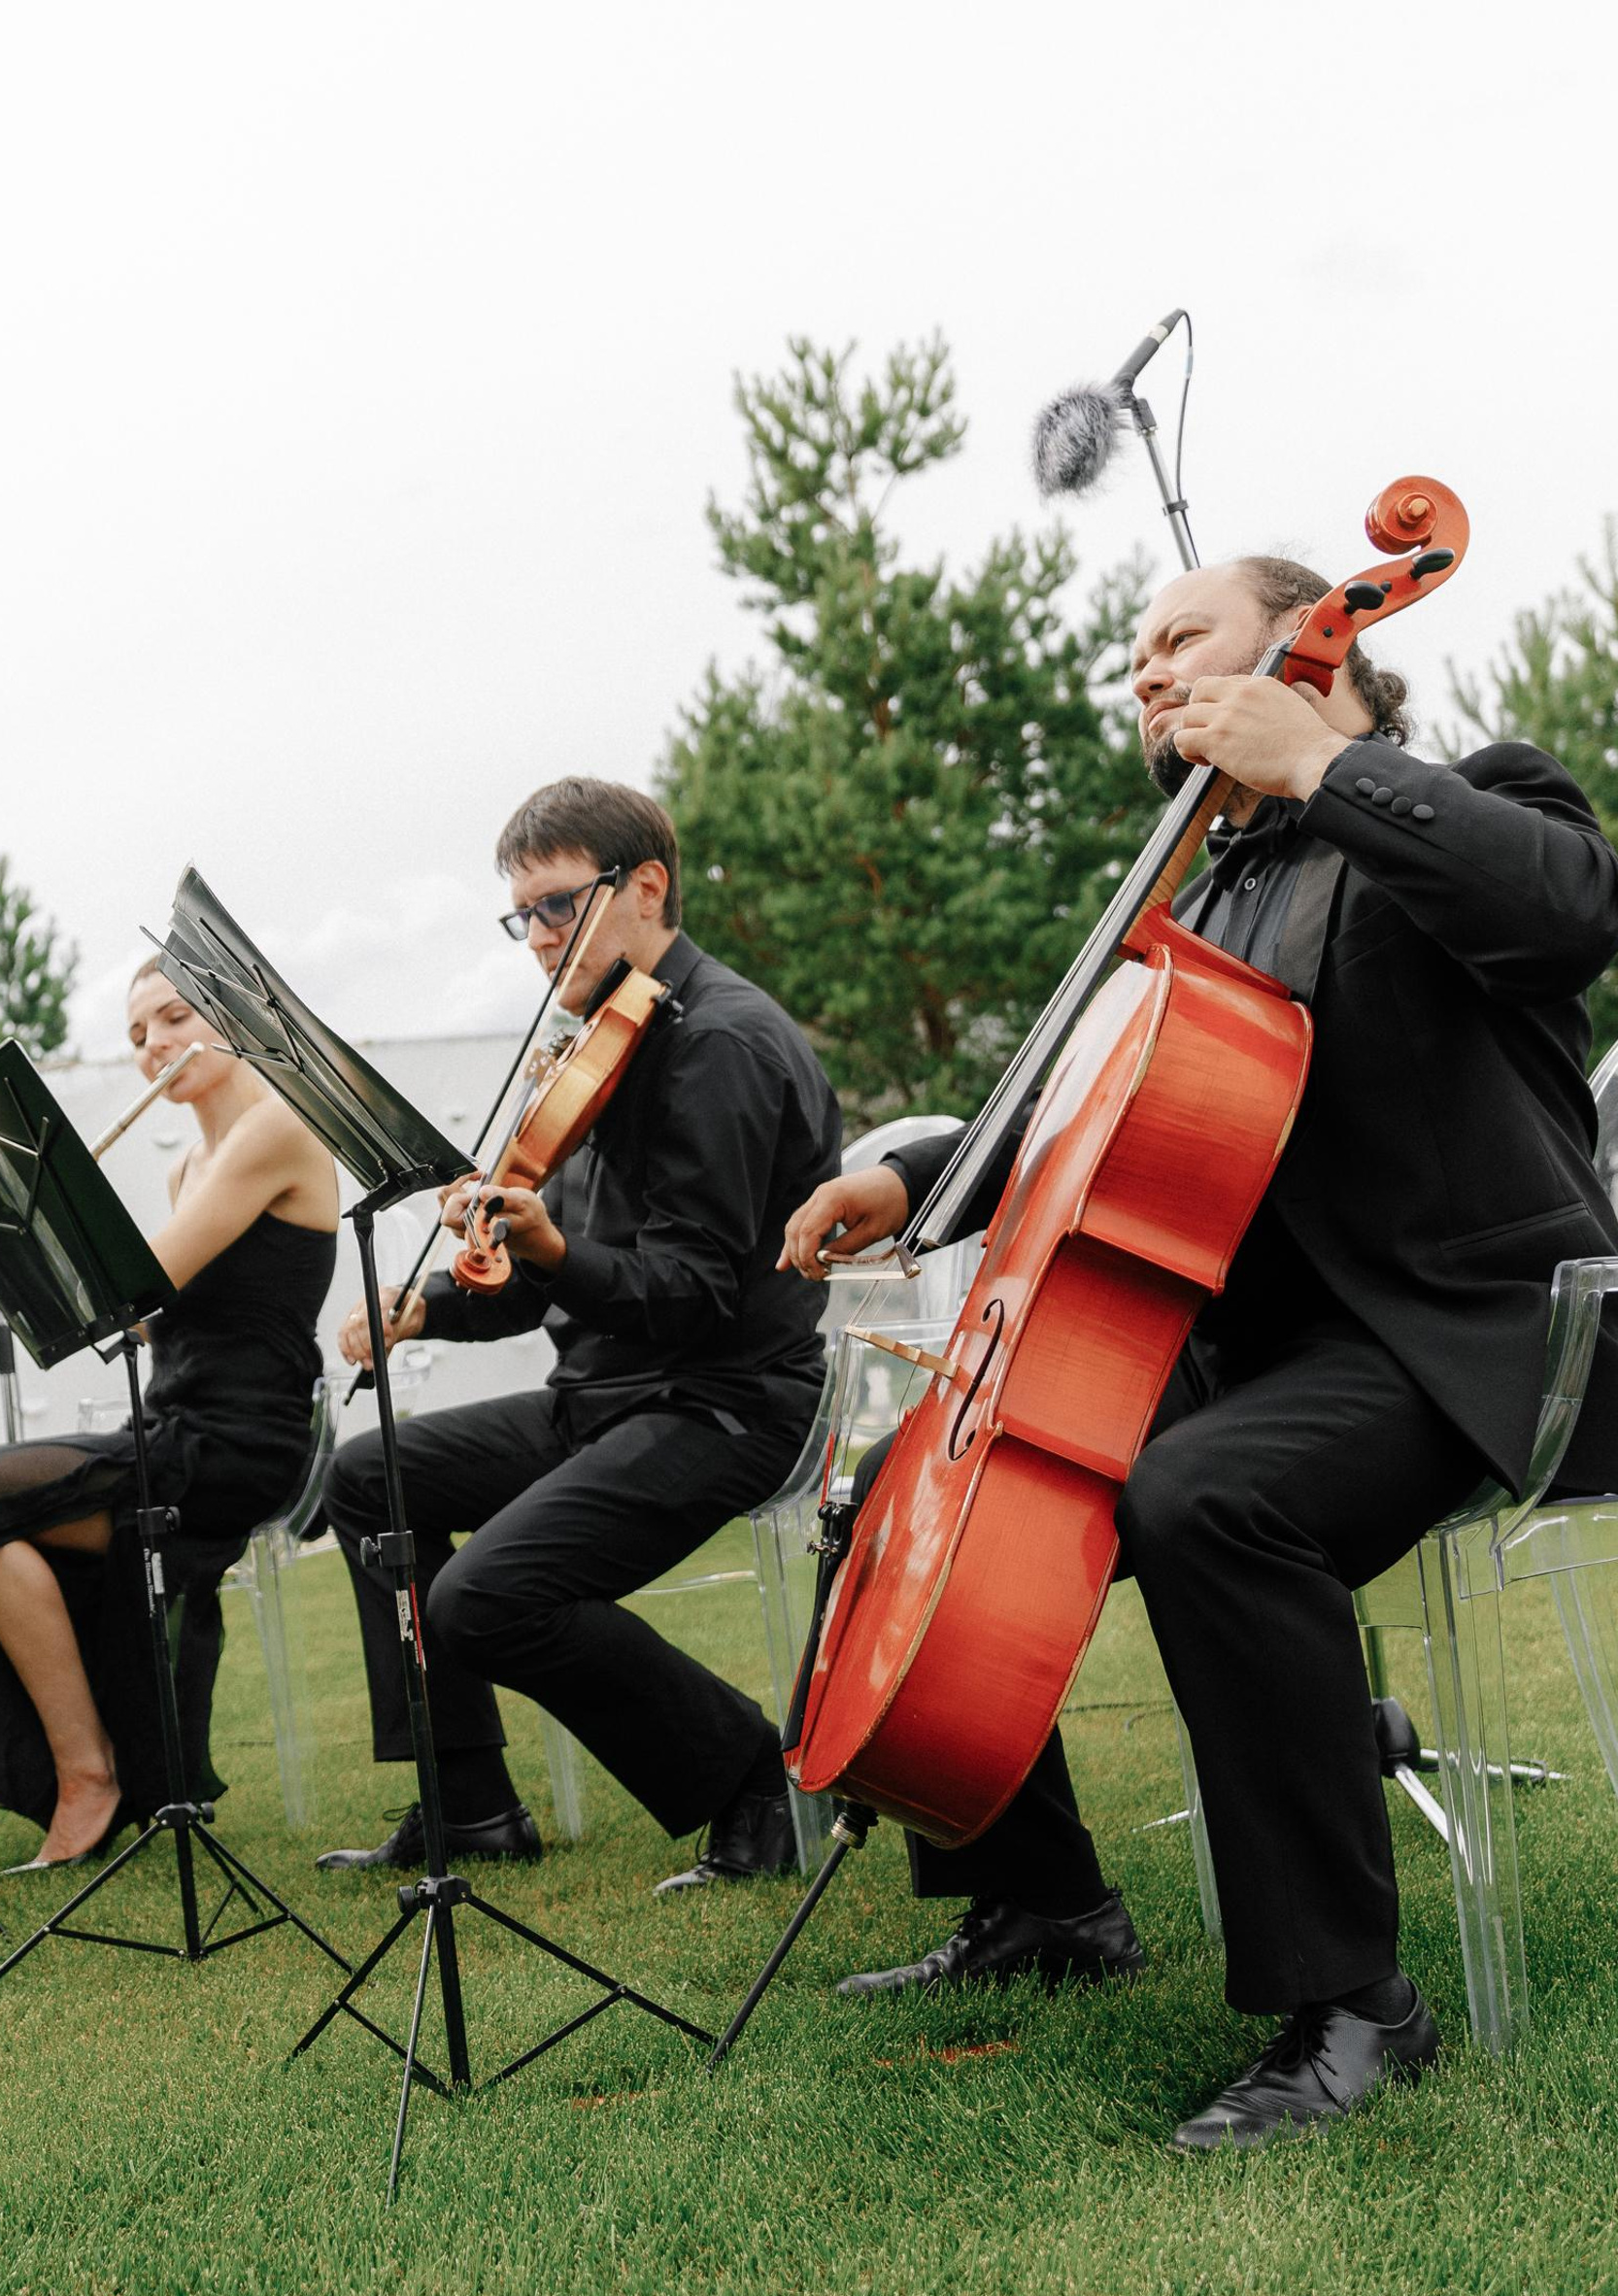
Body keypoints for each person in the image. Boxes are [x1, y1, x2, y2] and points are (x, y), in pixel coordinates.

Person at [781, 554, 1618, 2151]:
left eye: (1181, 641)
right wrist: (912, 1175)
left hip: (1464, 1338)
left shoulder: (1462, 797)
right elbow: (1080, 1107)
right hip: (1259, 1339)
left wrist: (1322, 766)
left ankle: (1356, 2005)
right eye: (1135, 654)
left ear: (1312, 651)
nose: (1144, 673)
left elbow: (1576, 914)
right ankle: (1041, 1905)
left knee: (1209, 1499)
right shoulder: (1198, 891)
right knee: (907, 1489)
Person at [321, 776, 843, 1889]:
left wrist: (553, 1249)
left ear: (645, 887)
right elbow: (558, 1282)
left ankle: (758, 1776)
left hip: (724, 1400)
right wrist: (435, 1308)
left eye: (559, 906)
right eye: (523, 918)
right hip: (606, 1396)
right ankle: (467, 1805)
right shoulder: (611, 1042)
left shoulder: (724, 1047)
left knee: (486, 1598)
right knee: (367, 1479)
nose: (539, 941)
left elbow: (691, 1293)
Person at [0, 959, 338, 1883]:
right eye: (137, 1033)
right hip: (172, 1429)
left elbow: (127, 1288)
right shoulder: (193, 1162)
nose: (154, 1046)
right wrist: (10, 1227)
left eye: (175, 1018)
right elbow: (144, 1317)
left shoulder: (277, 1128)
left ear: (230, 1018)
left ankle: (83, 1780)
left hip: (240, 1445)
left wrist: (26, 1206)